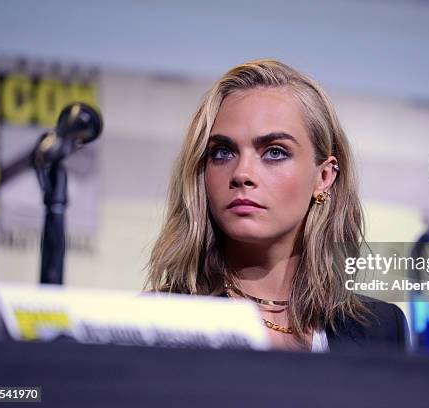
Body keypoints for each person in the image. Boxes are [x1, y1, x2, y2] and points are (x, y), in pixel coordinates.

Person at [146, 59, 408, 352]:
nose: (242, 174)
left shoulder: (380, 329)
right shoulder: (157, 319)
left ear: (323, 177)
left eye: (274, 152)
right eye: (222, 152)